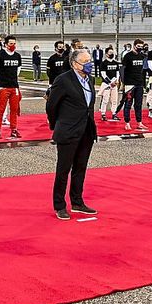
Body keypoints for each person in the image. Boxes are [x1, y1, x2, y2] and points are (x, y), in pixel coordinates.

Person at [46, 48, 98, 219]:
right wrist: (57, 125)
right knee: (63, 169)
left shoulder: (89, 79)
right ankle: (60, 205)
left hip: (86, 131)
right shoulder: (63, 80)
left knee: (80, 168)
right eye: (85, 61)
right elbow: (52, 106)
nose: (90, 64)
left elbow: (88, 106)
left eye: (90, 60)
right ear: (75, 64)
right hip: (68, 131)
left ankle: (77, 202)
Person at [0, 35, 22, 139]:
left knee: (14, 109)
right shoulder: (0, 56)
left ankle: (14, 129)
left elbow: (18, 69)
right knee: (1, 110)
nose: (13, 45)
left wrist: (13, 79)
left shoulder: (17, 56)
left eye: (14, 43)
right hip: (3, 87)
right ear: (6, 45)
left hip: (14, 86)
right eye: (11, 43)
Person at [120, 38, 148, 132]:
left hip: (139, 83)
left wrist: (143, 83)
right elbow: (122, 69)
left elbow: (142, 70)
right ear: (134, 45)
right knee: (128, 104)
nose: (139, 48)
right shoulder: (127, 56)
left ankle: (139, 122)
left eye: (141, 46)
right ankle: (127, 123)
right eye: (138, 46)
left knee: (138, 104)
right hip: (129, 84)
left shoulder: (142, 56)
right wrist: (123, 83)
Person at [97, 46, 120, 121]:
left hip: (114, 84)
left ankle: (114, 113)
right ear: (106, 54)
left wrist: (116, 81)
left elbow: (117, 73)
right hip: (106, 84)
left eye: (112, 52)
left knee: (114, 100)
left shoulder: (116, 63)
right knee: (105, 100)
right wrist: (110, 82)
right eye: (110, 52)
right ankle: (103, 114)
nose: (111, 54)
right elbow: (103, 74)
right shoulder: (103, 63)